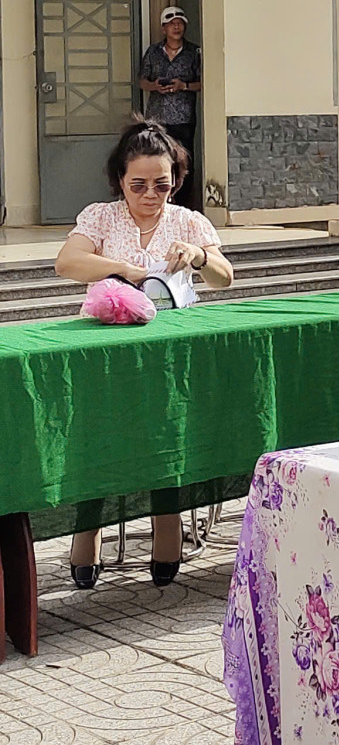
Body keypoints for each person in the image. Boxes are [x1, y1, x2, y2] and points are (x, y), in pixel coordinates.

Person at [55, 118, 234, 589]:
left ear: (175, 179)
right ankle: (86, 529)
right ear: (120, 181)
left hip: (170, 350)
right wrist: (122, 269)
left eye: (162, 183)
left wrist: (198, 257)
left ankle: (168, 523)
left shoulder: (189, 221)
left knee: (167, 428)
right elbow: (67, 262)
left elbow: (224, 276)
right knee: (95, 434)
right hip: (106, 348)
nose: (151, 195)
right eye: (139, 185)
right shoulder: (101, 216)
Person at [138, 8, 202, 209]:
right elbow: (142, 81)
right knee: (156, 159)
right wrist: (155, 86)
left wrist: (184, 86)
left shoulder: (194, 52)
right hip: (157, 118)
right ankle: (158, 202)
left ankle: (183, 205)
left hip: (183, 118)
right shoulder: (153, 52)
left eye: (180, 23)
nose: (176, 27)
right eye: (172, 23)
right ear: (163, 28)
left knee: (183, 162)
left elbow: (204, 82)